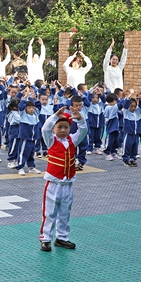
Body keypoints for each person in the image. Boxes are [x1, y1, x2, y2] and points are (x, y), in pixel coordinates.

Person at [38, 108, 87, 251]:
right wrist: (54, 117)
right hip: (53, 183)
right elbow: (44, 129)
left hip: (68, 183)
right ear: (54, 129)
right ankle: (46, 239)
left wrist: (80, 119)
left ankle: (62, 238)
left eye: (66, 127)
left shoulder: (72, 140)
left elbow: (83, 131)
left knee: (65, 212)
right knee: (49, 213)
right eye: (60, 127)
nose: (63, 130)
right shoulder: (51, 140)